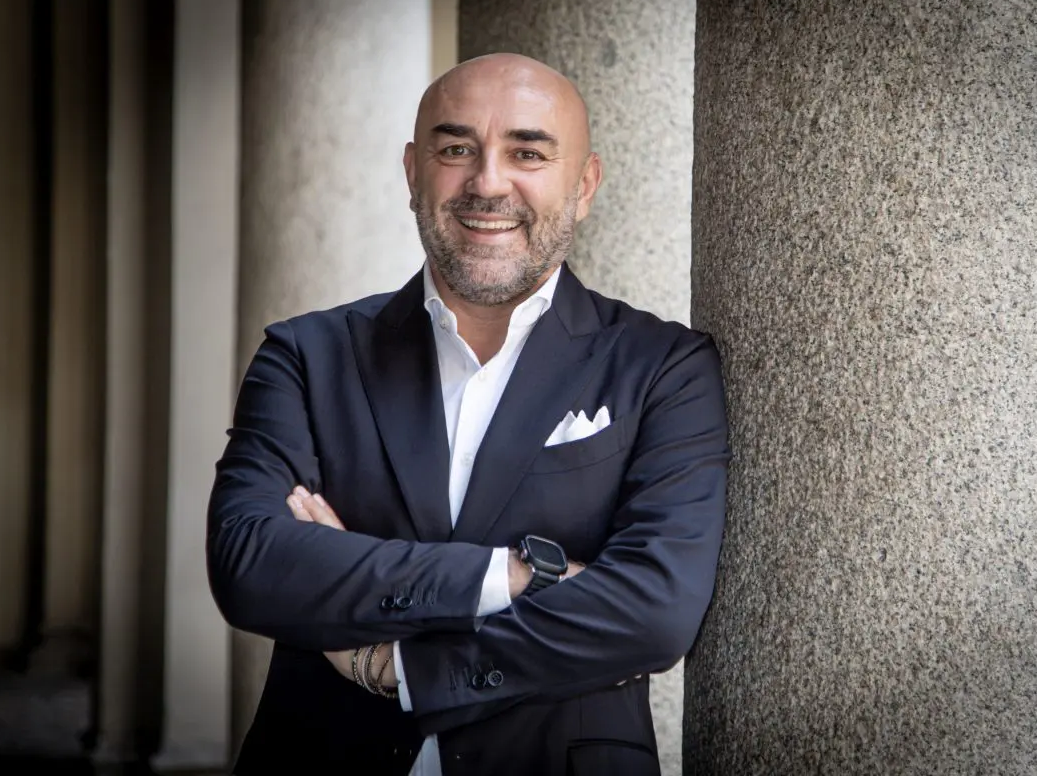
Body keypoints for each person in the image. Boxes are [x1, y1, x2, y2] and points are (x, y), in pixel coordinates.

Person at [206, 52, 729, 776]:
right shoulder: (306, 354)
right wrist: (512, 576)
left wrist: (398, 668)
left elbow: (654, 611)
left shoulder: (664, 366)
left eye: (527, 153)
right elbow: (252, 565)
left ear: (584, 186)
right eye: (456, 150)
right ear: (413, 173)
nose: (487, 183)